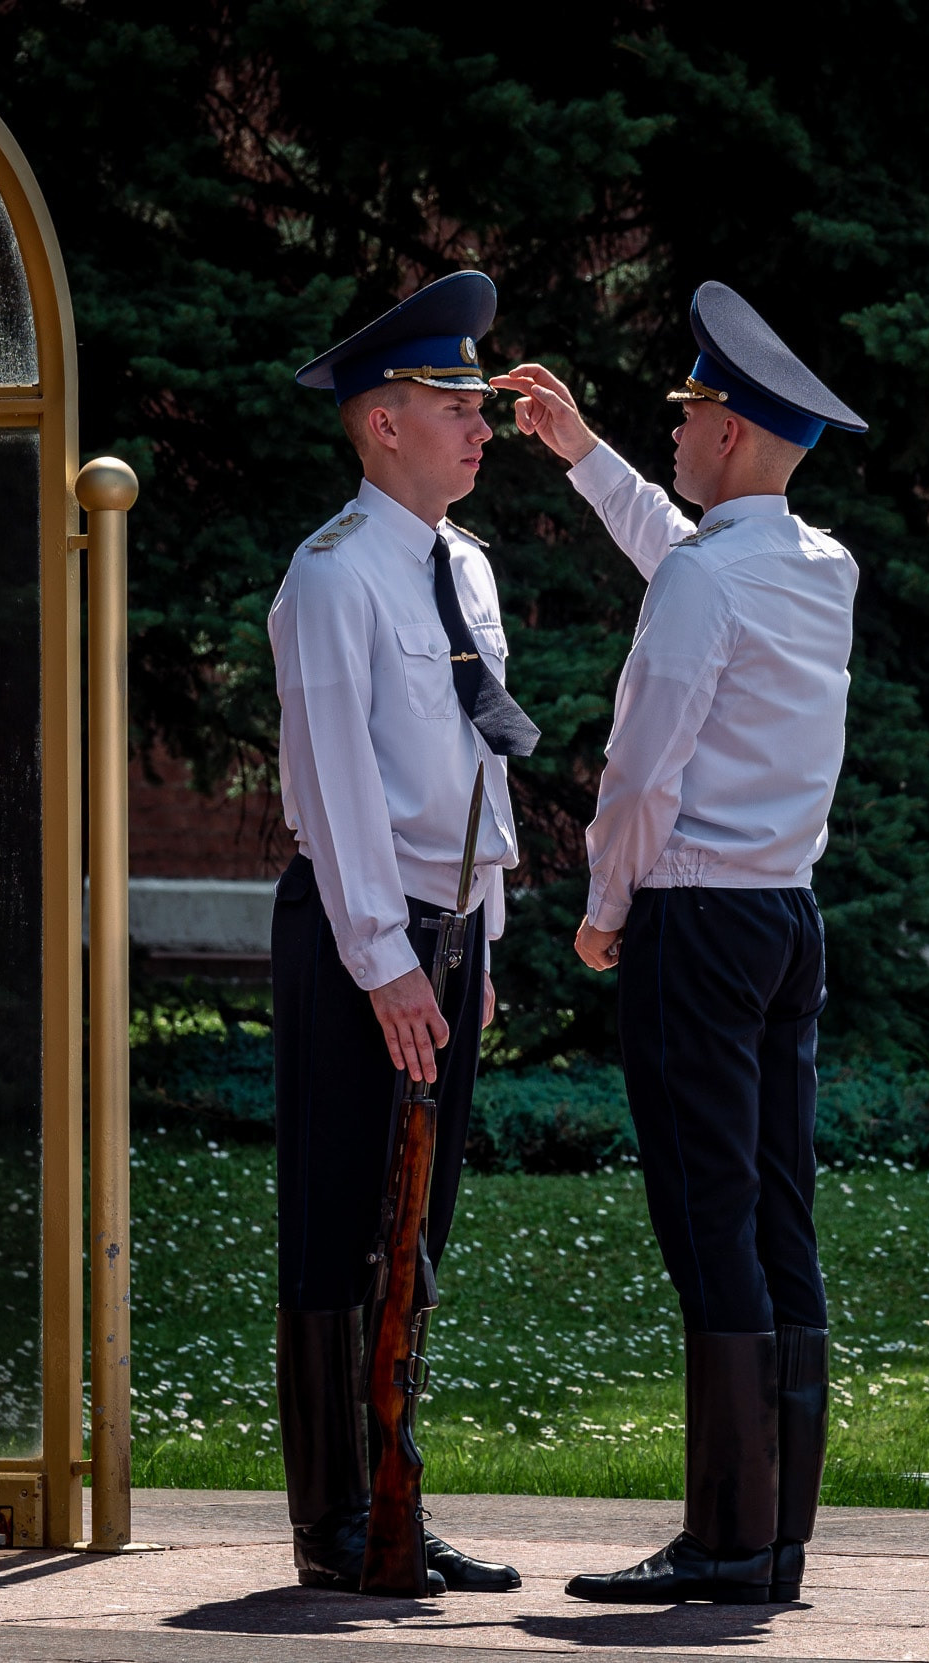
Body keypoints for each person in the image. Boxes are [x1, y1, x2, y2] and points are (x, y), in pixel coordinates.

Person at [491, 280, 867, 1605]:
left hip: (695, 921)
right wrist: (582, 451)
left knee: (708, 1221)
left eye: (688, 414)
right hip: (785, 920)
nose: (675, 430)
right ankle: (775, 1539)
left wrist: (604, 908)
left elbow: (642, 773)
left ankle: (724, 1542)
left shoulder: (715, 579)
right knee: (777, 1214)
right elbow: (690, 556)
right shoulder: (819, 567)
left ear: (731, 434)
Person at [268, 269, 535, 1596]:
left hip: (447, 930)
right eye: (457, 407)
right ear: (384, 424)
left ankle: (398, 1498)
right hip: (357, 931)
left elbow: (476, 763)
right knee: (340, 1215)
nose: (484, 428)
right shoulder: (332, 578)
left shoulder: (463, 566)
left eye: (481, 407)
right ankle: (335, 1522)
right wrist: (384, 960)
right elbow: (338, 788)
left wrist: (479, 931)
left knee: (419, 1224)